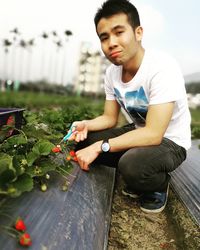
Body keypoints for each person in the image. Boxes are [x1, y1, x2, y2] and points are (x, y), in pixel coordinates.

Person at [70, 0, 191, 213]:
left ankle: (158, 184)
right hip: (138, 132)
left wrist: (101, 146)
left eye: (119, 32)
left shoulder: (162, 68)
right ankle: (138, 166)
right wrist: (86, 124)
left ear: (138, 33)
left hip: (170, 141)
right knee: (84, 141)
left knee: (132, 166)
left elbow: (154, 134)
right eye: (104, 37)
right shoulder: (112, 73)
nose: (112, 43)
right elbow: (109, 118)